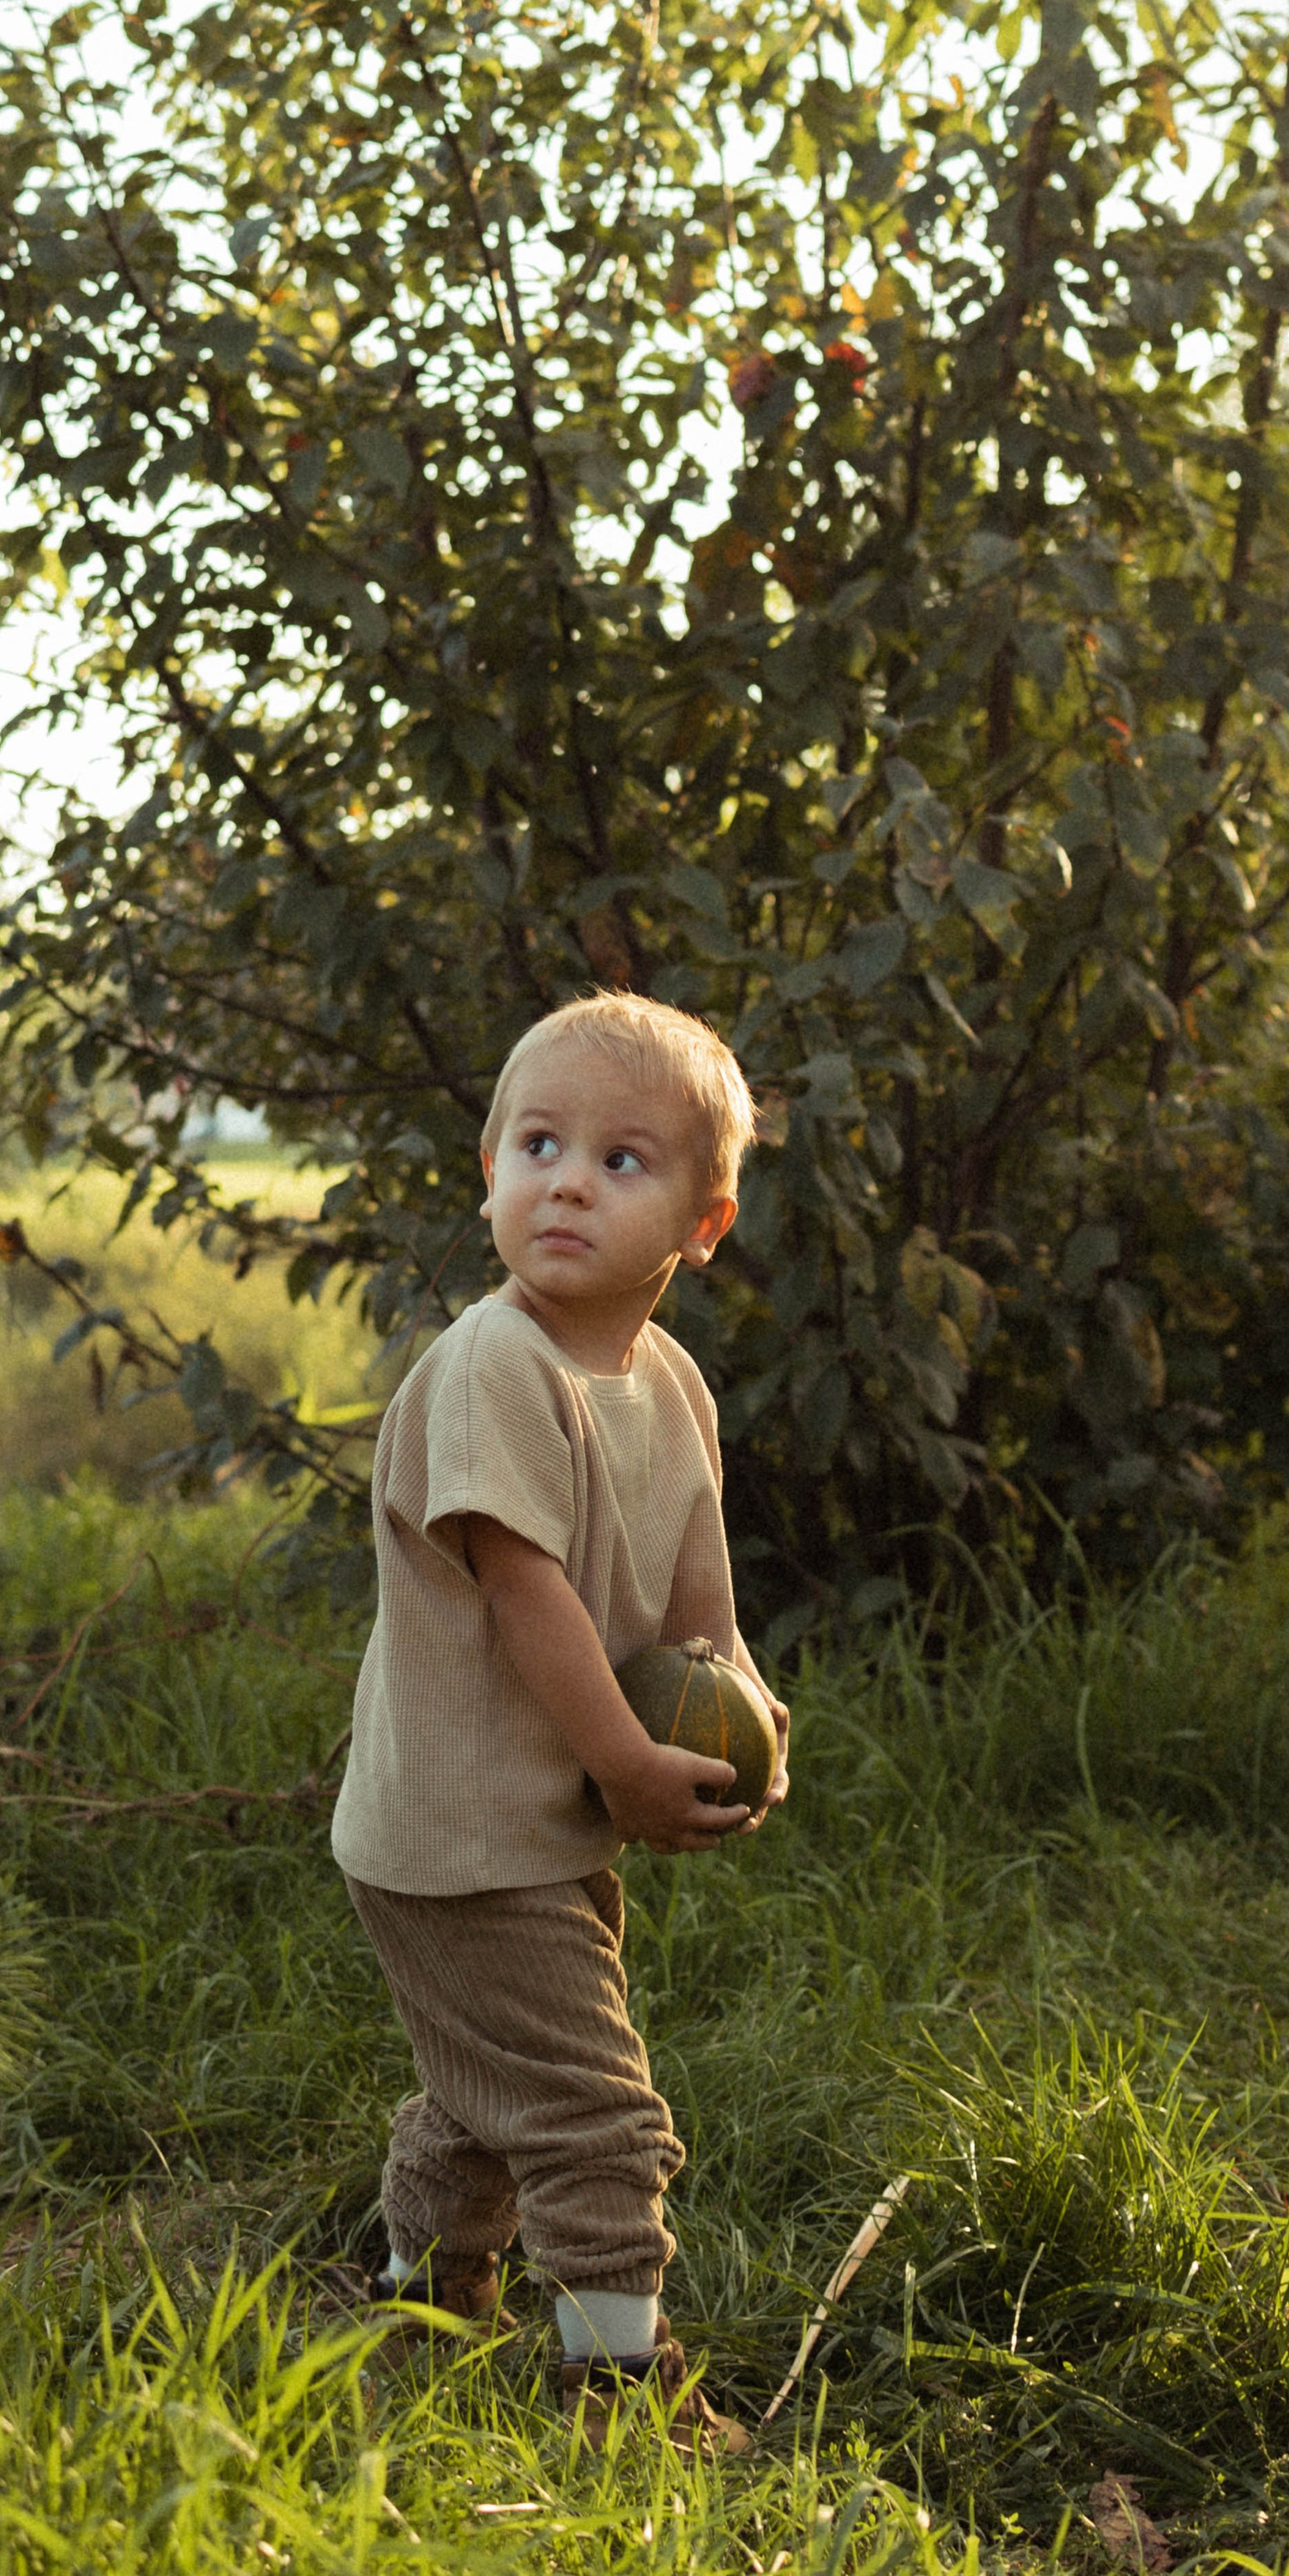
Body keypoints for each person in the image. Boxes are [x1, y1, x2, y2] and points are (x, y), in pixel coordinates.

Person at [330, 989, 789, 2450]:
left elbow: (696, 1610)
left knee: (496, 2090)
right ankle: (616, 2396)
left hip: (534, 1824)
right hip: (461, 1830)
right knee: (597, 2109)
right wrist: (627, 1770)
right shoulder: (494, 1365)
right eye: (538, 1144)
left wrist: (738, 1718)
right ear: (489, 1172)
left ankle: (415, 2293)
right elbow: (526, 1590)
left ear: (702, 1227)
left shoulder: (668, 1385)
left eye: (622, 1159)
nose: (570, 1179)